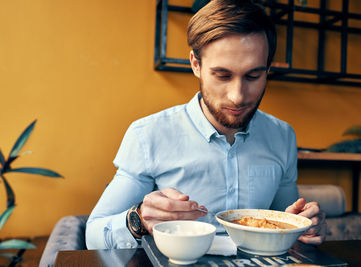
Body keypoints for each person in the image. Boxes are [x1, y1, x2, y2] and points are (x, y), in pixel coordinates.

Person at [86, 0, 326, 249]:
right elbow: (93, 235)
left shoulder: (282, 136)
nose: (238, 96)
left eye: (253, 76)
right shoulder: (148, 136)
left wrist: (306, 226)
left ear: (267, 69)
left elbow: (286, 221)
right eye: (222, 76)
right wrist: (138, 219)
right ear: (195, 64)